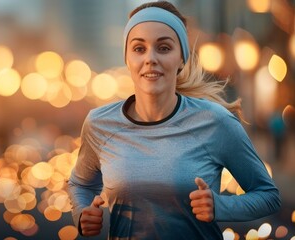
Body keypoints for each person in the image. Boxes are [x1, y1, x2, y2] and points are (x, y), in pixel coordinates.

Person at [66, 1, 281, 239]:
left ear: (182, 58)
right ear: (127, 58)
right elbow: (81, 184)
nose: (150, 58)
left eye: (164, 48)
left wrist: (220, 206)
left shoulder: (215, 122)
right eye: (139, 49)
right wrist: (82, 214)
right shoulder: (100, 123)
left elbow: (268, 195)